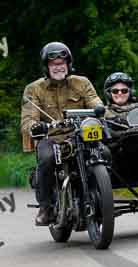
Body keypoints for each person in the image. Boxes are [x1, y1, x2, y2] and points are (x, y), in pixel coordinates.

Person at [21, 42, 103, 225]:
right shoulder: (33, 89)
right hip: (52, 138)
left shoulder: (81, 83)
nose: (58, 66)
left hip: (79, 135)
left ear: (68, 64)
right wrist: (35, 127)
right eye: (53, 64)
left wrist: (99, 109)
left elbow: (95, 102)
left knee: (104, 151)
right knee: (47, 157)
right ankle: (46, 208)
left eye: (61, 62)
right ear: (46, 67)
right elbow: (27, 119)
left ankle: (102, 193)